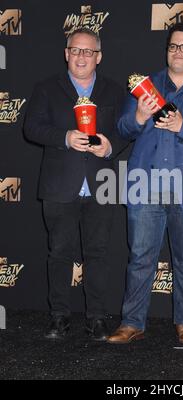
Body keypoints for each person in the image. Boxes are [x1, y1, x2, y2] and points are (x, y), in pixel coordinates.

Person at [108, 22, 183, 344]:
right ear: (167, 50)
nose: (178, 52)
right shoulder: (144, 86)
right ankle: (132, 322)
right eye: (173, 46)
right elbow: (124, 129)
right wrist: (140, 116)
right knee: (140, 256)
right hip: (146, 184)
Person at [24, 28, 127, 341]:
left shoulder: (113, 90)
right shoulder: (46, 89)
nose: (82, 56)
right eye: (76, 50)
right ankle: (59, 316)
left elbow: (126, 130)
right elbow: (32, 128)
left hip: (103, 184)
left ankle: (96, 317)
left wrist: (110, 147)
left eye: (88, 51)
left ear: (99, 57)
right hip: (60, 186)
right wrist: (65, 138)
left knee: (98, 253)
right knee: (59, 253)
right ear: (66, 53)